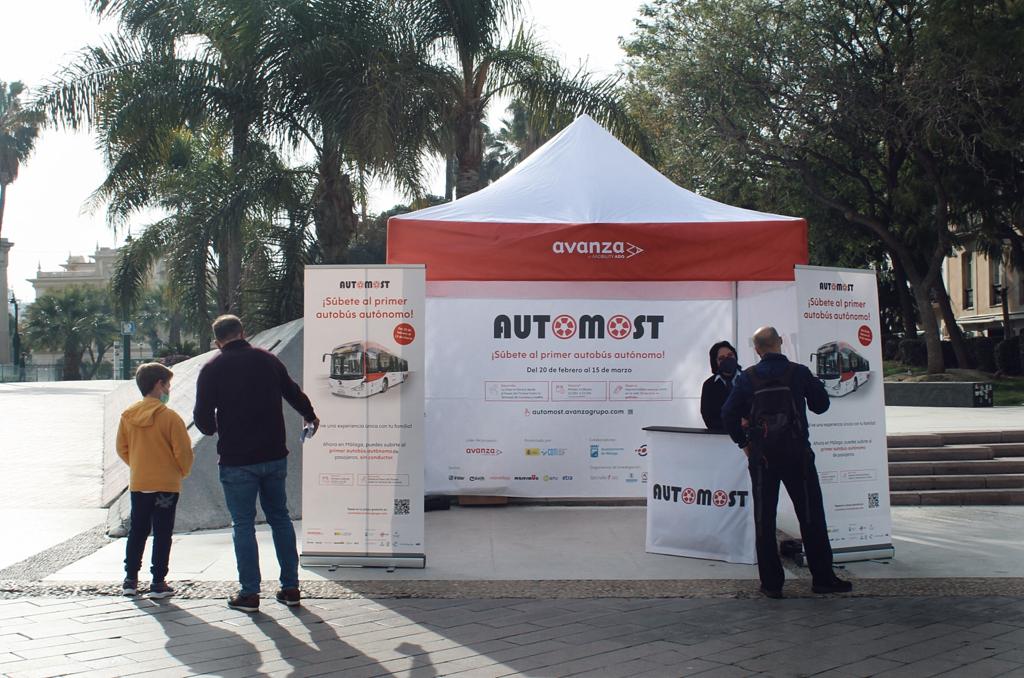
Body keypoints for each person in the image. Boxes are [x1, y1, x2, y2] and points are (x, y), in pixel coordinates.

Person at [194, 314, 319, 612]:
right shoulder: (267, 360)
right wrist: (310, 415)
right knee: (280, 518)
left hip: (236, 459)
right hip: (274, 455)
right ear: (243, 332)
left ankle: (249, 594)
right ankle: (290, 588)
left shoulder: (212, 368)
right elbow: (292, 392)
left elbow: (201, 416)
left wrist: (215, 429)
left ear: (217, 341)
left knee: (243, 524)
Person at [721, 326, 852, 598]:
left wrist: (744, 443)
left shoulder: (747, 378)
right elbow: (821, 405)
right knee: (811, 516)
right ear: (780, 342)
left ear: (756, 349)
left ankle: (771, 584)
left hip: (762, 458)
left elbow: (727, 413)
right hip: (797, 456)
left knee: (764, 520)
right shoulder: (799, 372)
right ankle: (823, 579)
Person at [117, 362, 194, 599]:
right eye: (168, 385)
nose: (169, 390)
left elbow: (122, 448)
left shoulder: (128, 415)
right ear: (159, 385)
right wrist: (181, 471)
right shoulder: (170, 417)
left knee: (138, 530)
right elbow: (183, 451)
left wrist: (139, 465)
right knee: (162, 532)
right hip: (166, 485)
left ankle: (130, 579)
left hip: (140, 482)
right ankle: (158, 582)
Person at [700, 340, 740, 431]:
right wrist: (735, 425)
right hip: (721, 439)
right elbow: (709, 418)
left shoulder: (749, 378)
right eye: (721, 358)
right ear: (715, 363)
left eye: (730, 355)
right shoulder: (709, 385)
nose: (727, 360)